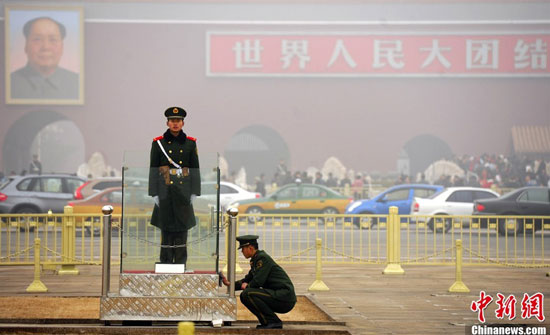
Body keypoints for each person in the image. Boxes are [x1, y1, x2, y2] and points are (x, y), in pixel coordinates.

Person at [148, 106, 201, 265]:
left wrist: (194, 192)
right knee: (166, 229)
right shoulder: (158, 143)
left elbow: (195, 169)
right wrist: (154, 193)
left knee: (181, 230)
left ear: (183, 123)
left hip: (183, 192)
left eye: (178, 121)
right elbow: (153, 168)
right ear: (167, 123)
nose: (175, 124)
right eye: (172, 121)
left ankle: (180, 263)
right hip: (164, 191)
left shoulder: (190, 143)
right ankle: (165, 263)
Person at [222, 235, 296, 329]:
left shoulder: (262, 259)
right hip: (277, 295)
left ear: (250, 248)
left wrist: (247, 286)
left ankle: (273, 322)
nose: (242, 252)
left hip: (284, 296)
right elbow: (247, 279)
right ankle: (267, 322)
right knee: (245, 295)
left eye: (243, 249)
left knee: (248, 294)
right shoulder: (256, 260)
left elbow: (257, 282)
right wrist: (230, 284)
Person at [10, 17, 79, 100]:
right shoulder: (9, 83)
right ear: (26, 46)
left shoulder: (77, 82)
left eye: (53, 40)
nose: (46, 47)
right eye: (37, 39)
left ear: (62, 47)